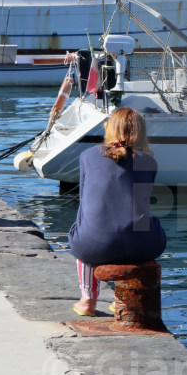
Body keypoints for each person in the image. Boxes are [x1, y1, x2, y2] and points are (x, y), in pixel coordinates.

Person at [68, 107, 166, 317]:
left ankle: (87, 300)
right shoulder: (149, 162)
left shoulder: (87, 156)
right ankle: (120, 298)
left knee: (86, 229)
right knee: (145, 223)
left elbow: (85, 199)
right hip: (142, 246)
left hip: (92, 247)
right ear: (140, 132)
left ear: (109, 129)